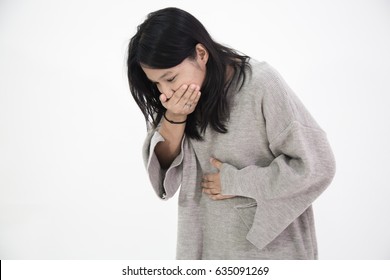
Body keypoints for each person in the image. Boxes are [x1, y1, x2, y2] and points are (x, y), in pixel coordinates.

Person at [127, 7, 336, 260]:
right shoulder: (176, 102)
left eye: (170, 78)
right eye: (156, 83)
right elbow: (163, 178)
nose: (165, 92)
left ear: (200, 53)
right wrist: (176, 117)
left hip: (270, 254)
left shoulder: (260, 83)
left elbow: (316, 165)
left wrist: (237, 181)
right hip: (207, 247)